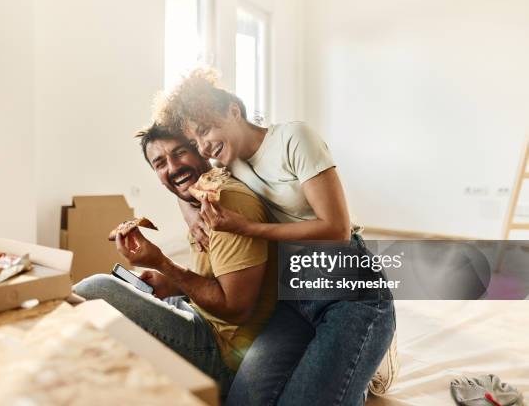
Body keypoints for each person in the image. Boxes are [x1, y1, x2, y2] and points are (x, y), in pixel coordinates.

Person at [154, 68, 396, 406]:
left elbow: (337, 229)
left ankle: (360, 368)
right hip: (293, 295)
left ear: (233, 111)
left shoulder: (293, 138)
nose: (204, 147)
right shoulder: (229, 165)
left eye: (206, 130)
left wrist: (248, 228)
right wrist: (189, 210)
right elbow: (180, 179)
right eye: (196, 142)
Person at [73, 124, 277, 397]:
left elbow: (235, 308)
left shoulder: (224, 204)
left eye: (180, 152)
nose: (173, 167)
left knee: (95, 289)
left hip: (223, 352)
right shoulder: (197, 200)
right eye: (160, 163)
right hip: (201, 318)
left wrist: (161, 262)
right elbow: (219, 277)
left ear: (200, 148)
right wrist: (171, 282)